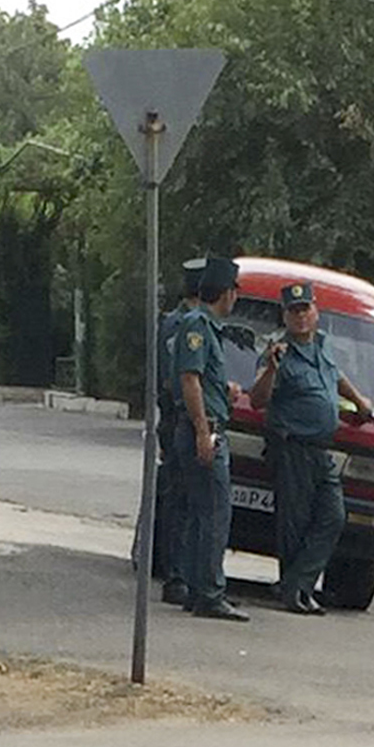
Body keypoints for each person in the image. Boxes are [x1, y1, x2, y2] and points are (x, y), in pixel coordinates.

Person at [250, 279, 374, 616]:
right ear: (285, 316)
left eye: (305, 309)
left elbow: (334, 377)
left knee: (333, 517)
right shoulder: (278, 352)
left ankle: (296, 585)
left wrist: (359, 401)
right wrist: (271, 371)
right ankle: (296, 593)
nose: (301, 317)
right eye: (293, 312)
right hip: (293, 448)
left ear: (315, 311)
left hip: (322, 449)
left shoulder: (321, 345)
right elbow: (257, 399)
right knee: (295, 523)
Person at [174, 255, 249, 621]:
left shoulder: (206, 328)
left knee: (203, 513)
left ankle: (196, 588)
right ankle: (209, 592)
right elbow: (190, 380)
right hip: (202, 431)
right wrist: (204, 431)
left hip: (204, 426)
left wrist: (226, 389)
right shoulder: (197, 326)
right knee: (216, 513)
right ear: (226, 293)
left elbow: (204, 380)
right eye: (235, 291)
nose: (236, 298)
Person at [147, 257, 208, 603]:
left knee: (181, 497)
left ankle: (181, 572)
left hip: (176, 419)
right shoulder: (181, 325)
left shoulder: (178, 321)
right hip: (177, 420)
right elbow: (177, 379)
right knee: (180, 500)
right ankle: (176, 576)